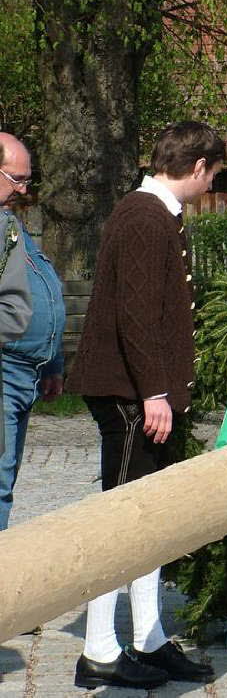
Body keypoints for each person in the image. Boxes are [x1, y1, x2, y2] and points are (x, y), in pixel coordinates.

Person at [67, 121, 224, 689]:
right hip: (129, 392)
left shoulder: (157, 215)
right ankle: (100, 651)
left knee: (151, 516)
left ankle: (148, 636)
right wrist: (155, 390)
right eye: (213, 176)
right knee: (124, 519)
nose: (209, 188)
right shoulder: (143, 216)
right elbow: (136, 315)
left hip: (144, 391)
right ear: (200, 166)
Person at [0, 134, 64, 531]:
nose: (24, 190)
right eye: (16, 179)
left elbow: (40, 289)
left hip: (25, 373)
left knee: (6, 480)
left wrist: (52, 361)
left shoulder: (11, 226)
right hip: (3, 370)